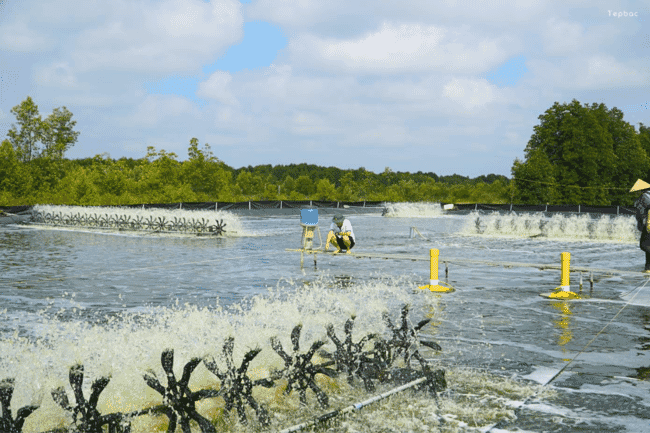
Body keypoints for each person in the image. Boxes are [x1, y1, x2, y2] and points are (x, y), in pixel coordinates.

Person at [631, 179, 650, 272]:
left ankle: (648, 267)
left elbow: (641, 212)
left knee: (644, 245)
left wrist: (641, 223)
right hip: (648, 224)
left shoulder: (644, 196)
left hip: (648, 225)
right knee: (647, 246)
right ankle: (647, 268)